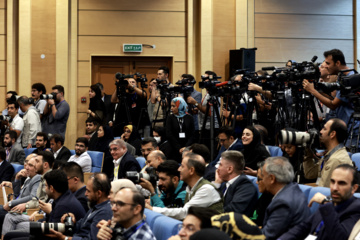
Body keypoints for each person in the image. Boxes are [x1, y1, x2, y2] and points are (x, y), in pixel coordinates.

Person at [279, 164, 360, 240]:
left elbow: (339, 237)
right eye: (332, 181)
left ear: (354, 188)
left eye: (341, 183)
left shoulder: (356, 208)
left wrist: (325, 203)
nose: (335, 188)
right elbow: (303, 227)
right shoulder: (330, 201)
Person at [3, 169, 86, 240]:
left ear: (52, 188)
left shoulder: (63, 205)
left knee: (10, 236)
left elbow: (51, 235)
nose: (44, 189)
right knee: (11, 235)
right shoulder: (63, 197)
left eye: (45, 186)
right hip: (44, 232)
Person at [148, 153, 223, 220]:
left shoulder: (206, 189)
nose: (179, 169)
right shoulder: (190, 188)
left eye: (182, 166)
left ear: (191, 170)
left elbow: (185, 213)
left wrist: (152, 209)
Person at [1, 151, 53, 237]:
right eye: (26, 163)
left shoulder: (46, 178)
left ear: (45, 165)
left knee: (10, 218)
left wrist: (26, 206)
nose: (27, 167)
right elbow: (20, 195)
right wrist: (17, 179)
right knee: (11, 219)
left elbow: (40, 200)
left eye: (36, 162)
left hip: (38, 215)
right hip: (32, 211)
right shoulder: (40, 177)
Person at [50, 173, 113, 240]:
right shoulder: (95, 205)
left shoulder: (104, 212)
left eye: (88, 191)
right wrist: (71, 220)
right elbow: (81, 226)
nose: (85, 194)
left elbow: (91, 239)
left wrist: (65, 238)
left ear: (99, 193)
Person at [261, 157, 310, 240]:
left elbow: (267, 236)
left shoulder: (283, 203)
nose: (261, 180)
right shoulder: (293, 188)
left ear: (272, 178)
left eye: (263, 176)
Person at [303, 118, 352, 187]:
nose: (320, 131)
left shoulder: (335, 159)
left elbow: (323, 189)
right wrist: (308, 150)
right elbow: (310, 174)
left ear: (332, 134)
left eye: (324, 129)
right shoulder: (331, 154)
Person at [213, 151, 258, 216]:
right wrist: (217, 183)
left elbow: (232, 212)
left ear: (230, 169)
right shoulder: (223, 184)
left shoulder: (246, 187)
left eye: (220, 164)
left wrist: (208, 214)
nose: (217, 168)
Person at [166, 97, 195, 162]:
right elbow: (169, 134)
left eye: (174, 106)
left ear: (180, 106)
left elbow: (192, 134)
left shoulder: (189, 117)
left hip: (187, 147)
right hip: (173, 148)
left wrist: (186, 148)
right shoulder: (170, 117)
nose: (171, 108)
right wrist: (178, 148)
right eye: (171, 106)